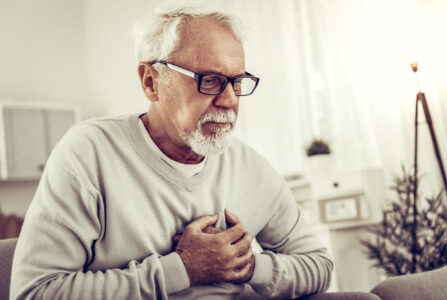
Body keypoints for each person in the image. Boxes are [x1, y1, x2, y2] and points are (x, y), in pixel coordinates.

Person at [10, 1, 333, 299]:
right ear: (151, 81)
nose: (230, 99)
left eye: (237, 81)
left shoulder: (249, 166)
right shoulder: (90, 152)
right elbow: (36, 292)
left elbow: (319, 265)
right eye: (209, 80)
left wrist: (247, 266)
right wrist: (182, 269)